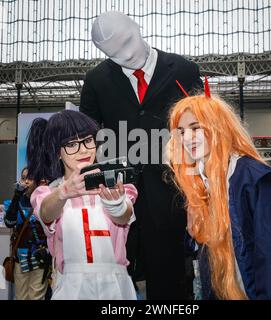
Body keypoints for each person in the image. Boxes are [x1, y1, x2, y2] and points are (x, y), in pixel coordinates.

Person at [80, 10, 203, 299]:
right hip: (117, 196)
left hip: (171, 191)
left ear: (137, 26)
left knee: (169, 278)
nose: (126, 54)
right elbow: (88, 135)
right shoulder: (96, 80)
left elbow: (201, 124)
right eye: (115, 53)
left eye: (128, 42)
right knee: (114, 275)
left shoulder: (184, 70)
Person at [166, 92, 271, 299]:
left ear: (217, 126)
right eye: (181, 132)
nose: (187, 138)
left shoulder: (256, 179)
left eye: (195, 128)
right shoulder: (200, 183)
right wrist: (193, 234)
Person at [27, 110, 138, 300]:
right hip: (70, 288)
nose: (83, 150)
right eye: (71, 144)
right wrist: (63, 193)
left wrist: (116, 204)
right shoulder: (48, 193)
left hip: (116, 287)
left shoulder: (117, 185)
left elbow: (124, 215)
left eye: (87, 140)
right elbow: (45, 213)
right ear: (57, 152)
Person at [3, 167, 49, 300]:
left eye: (29, 178)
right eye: (23, 178)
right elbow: (9, 223)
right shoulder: (18, 200)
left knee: (36, 297)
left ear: (38, 181)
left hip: (40, 257)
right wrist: (16, 196)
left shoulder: (45, 200)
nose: (26, 181)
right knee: (21, 296)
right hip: (20, 259)